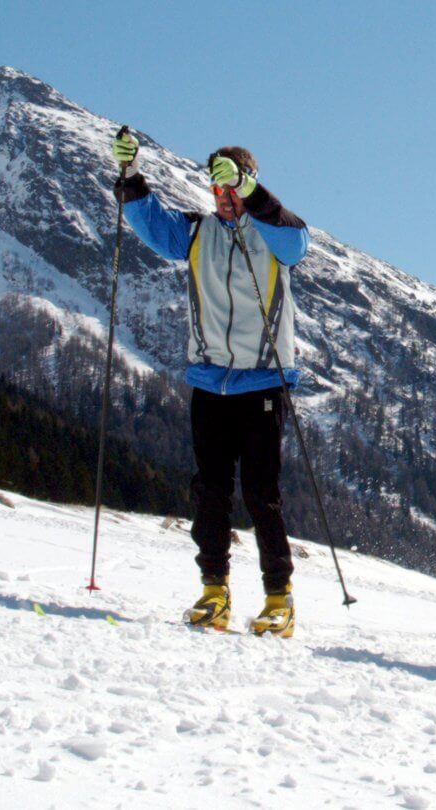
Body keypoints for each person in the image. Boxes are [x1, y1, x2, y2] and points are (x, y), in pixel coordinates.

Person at [110, 131, 311, 636]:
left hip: (262, 383)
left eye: (232, 188)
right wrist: (131, 174)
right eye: (217, 189)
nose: (223, 198)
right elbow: (152, 224)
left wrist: (253, 194)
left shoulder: (271, 234)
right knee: (210, 492)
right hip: (209, 384)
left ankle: (278, 597)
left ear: (247, 184)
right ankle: (214, 590)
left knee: (262, 495)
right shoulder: (198, 233)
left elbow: (298, 241)